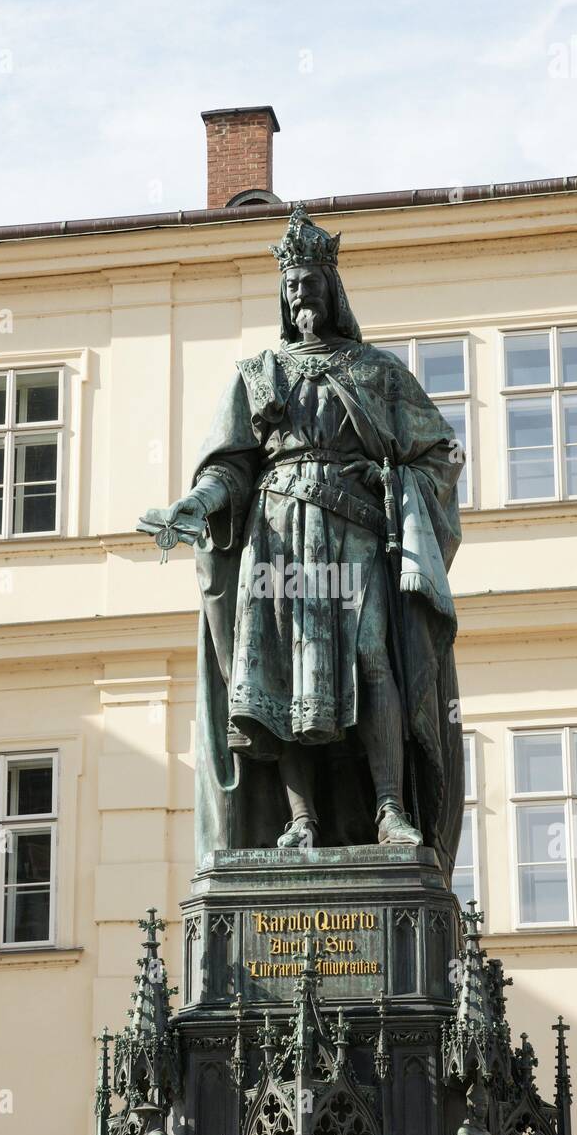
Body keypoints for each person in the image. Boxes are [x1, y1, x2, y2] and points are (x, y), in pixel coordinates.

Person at [142, 204, 464, 869]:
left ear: (330, 290)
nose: (300, 295)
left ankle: (387, 807)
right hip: (278, 533)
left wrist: (389, 479)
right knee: (284, 674)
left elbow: (439, 454)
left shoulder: (377, 373)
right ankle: (300, 822)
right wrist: (193, 507)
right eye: (291, 286)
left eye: (311, 283)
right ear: (283, 298)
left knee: (373, 658)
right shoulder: (258, 373)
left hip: (354, 531)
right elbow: (232, 466)